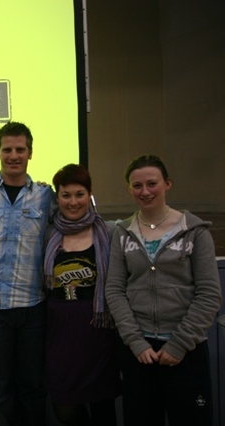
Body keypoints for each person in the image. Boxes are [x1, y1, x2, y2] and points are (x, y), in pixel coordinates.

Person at [105, 154, 222, 425]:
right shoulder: (122, 233)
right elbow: (114, 290)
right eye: (137, 186)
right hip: (138, 352)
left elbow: (209, 294)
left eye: (151, 183)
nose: (144, 192)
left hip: (186, 351)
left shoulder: (194, 231)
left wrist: (179, 344)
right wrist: (135, 342)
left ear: (167, 184)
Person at [0, 121, 54, 425]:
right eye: (8, 149)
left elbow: (78, 217)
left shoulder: (46, 196)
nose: (14, 155)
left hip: (32, 306)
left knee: (32, 387)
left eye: (20, 149)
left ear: (30, 153)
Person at [43, 164, 120, 425]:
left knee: (102, 408)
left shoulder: (108, 232)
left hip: (98, 330)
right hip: (59, 333)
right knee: (64, 407)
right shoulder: (49, 234)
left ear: (89, 195)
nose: (73, 202)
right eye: (66, 195)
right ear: (57, 197)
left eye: (79, 194)